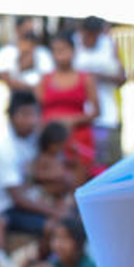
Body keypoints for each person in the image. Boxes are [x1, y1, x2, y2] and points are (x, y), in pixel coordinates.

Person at [0, 92, 56, 237]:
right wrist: (55, 212)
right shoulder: (3, 150)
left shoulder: (34, 141)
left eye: (34, 114)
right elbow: (18, 200)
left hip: (30, 199)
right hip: (6, 209)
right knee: (55, 226)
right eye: (25, 115)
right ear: (11, 117)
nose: (31, 120)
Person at [36, 38, 98, 173]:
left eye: (64, 50)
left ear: (73, 51)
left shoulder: (86, 78)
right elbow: (37, 109)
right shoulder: (44, 79)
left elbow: (96, 112)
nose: (60, 55)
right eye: (56, 51)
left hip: (78, 136)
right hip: (50, 139)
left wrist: (71, 121)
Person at [70, 17, 124, 165]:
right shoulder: (73, 44)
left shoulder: (109, 45)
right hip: (80, 114)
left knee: (106, 162)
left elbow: (121, 78)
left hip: (107, 114)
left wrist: (96, 77)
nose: (90, 39)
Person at [0, 21, 54, 94]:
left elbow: (49, 79)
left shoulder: (43, 52)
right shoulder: (5, 52)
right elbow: (4, 80)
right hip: (12, 95)